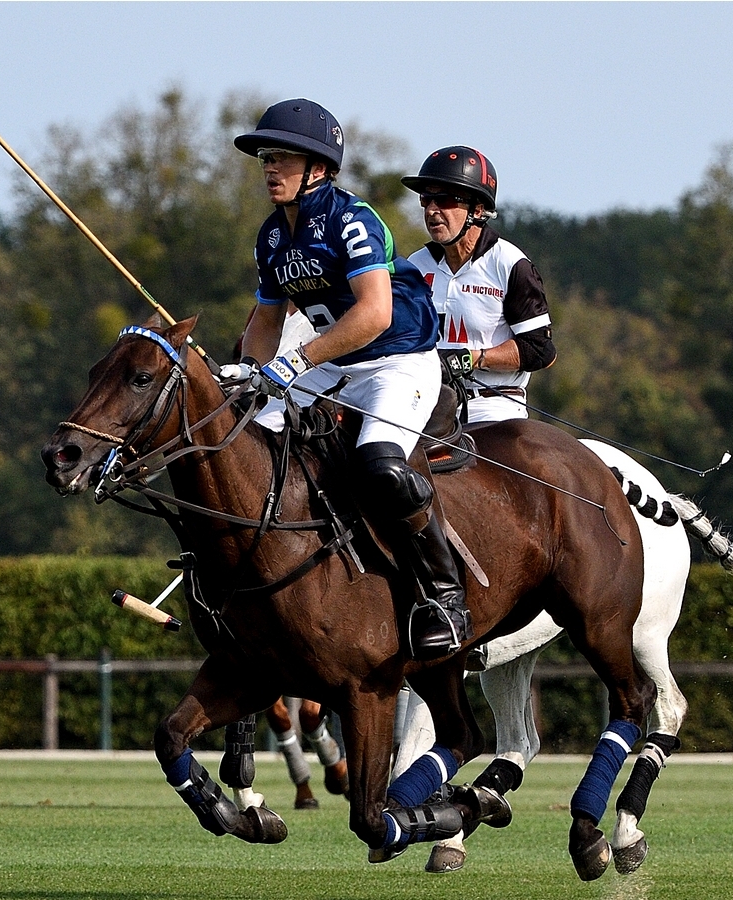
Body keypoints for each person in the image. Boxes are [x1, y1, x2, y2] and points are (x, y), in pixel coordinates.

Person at [229, 99, 468, 659]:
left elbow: (375, 314)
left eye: (283, 157)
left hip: (398, 360)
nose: (270, 167)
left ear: (318, 167)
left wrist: (297, 361)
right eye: (266, 157)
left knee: (380, 466)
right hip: (334, 365)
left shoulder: (351, 219)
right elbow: (266, 321)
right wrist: (251, 372)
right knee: (245, 444)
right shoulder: (272, 236)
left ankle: (444, 595)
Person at [400, 146, 555, 424]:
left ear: (478, 209)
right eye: (426, 199)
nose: (432, 210)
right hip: (424, 404)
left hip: (493, 407)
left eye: (444, 199)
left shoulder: (510, 264)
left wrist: (470, 358)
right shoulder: (416, 265)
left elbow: (540, 350)